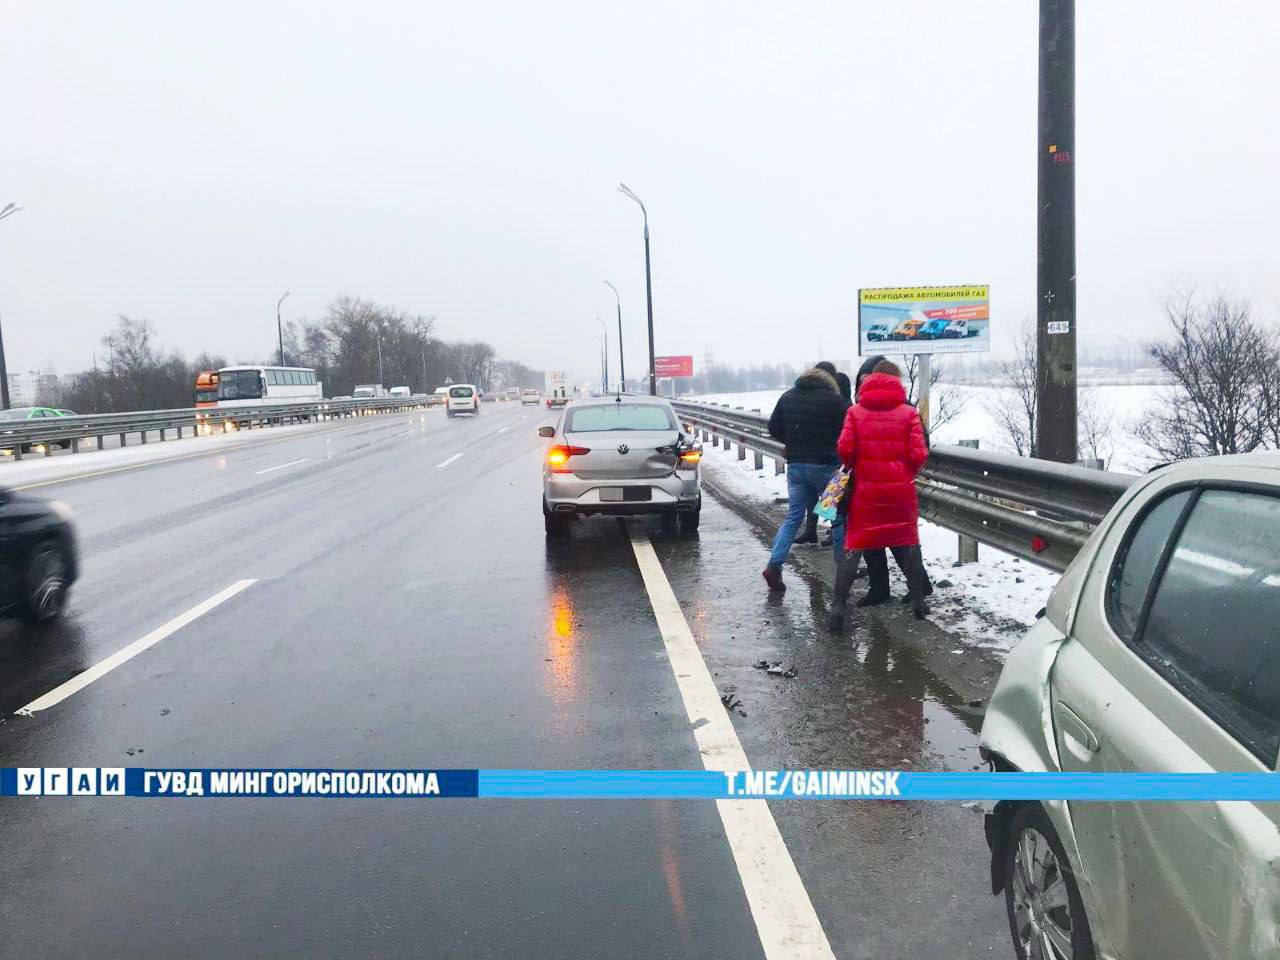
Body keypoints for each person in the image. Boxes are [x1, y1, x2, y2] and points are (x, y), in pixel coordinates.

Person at [830, 359, 930, 626]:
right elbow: (919, 453)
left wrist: (858, 466)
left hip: (866, 493)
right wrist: (904, 473)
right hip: (901, 493)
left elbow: (845, 450)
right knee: (908, 542)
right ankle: (919, 602)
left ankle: (838, 608)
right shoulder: (908, 413)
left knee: (855, 545)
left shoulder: (856, 413)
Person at [762, 363, 849, 592]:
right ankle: (843, 571)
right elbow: (848, 432)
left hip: (797, 466)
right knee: (837, 516)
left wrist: (793, 442)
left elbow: (773, 427)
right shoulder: (835, 400)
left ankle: (774, 566)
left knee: (793, 517)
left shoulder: (788, 396)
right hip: (830, 468)